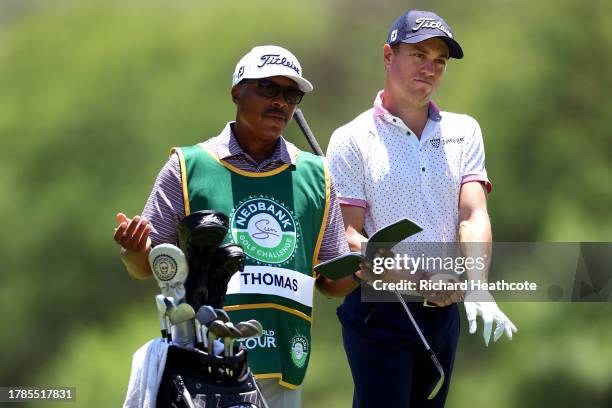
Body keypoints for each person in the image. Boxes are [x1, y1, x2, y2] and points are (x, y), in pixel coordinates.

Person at [113, 45, 351, 408]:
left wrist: (369, 263)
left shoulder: (317, 176)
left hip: (283, 365)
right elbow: (148, 266)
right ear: (237, 92)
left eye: (291, 94)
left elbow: (333, 283)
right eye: (269, 89)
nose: (281, 102)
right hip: (204, 365)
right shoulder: (187, 167)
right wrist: (134, 250)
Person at [325, 10, 518, 407]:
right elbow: (349, 238)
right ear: (387, 55)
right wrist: (420, 279)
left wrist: (478, 285)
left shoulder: (464, 132)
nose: (430, 68)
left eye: (440, 61)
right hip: (379, 311)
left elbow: (473, 215)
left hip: (443, 313)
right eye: (419, 54)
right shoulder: (352, 139)